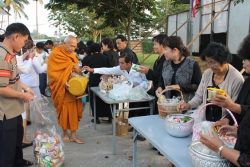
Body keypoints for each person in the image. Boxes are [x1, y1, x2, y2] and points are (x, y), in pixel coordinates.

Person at [178, 42, 244, 122]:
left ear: (224, 60)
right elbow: (199, 96)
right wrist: (188, 105)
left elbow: (235, 106)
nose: (210, 66)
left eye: (213, 63)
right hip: (207, 120)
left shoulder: (236, 79)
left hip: (225, 122)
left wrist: (226, 120)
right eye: (208, 63)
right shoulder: (207, 73)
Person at [0, 22, 35, 167]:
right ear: (16, 36)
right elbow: (1, 88)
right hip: (5, 112)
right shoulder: (2, 57)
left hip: (15, 110)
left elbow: (14, 77)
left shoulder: (11, 54)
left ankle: (18, 162)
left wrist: (26, 88)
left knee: (16, 141)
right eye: (24, 40)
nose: (24, 44)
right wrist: (23, 96)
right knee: (6, 148)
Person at [48, 35, 85, 144]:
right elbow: (52, 73)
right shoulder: (55, 55)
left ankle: (73, 135)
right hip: (62, 88)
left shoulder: (72, 55)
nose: (72, 49)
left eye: (74, 46)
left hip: (73, 88)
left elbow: (74, 68)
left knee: (73, 111)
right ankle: (65, 134)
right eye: (70, 46)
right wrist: (63, 80)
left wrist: (77, 69)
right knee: (63, 112)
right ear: (64, 44)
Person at [212, 34, 250, 126]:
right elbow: (239, 102)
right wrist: (227, 120)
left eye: (245, 59)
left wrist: (231, 105)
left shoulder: (237, 78)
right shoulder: (248, 82)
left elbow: (238, 107)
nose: (243, 62)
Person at [155, 36, 202, 103]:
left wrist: (179, 87)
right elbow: (161, 80)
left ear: (175, 50)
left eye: (165, 49)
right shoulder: (165, 64)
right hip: (168, 105)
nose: (164, 52)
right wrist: (159, 87)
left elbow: (198, 86)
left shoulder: (192, 64)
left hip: (186, 105)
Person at [82, 43, 112, 124]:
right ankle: (110, 116)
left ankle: (96, 117)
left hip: (94, 80)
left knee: (93, 98)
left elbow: (84, 71)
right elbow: (110, 68)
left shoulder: (89, 58)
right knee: (106, 98)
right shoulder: (105, 58)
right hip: (105, 80)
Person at [137, 34, 167, 114]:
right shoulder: (158, 59)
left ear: (163, 45)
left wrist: (148, 71)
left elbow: (162, 77)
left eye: (155, 44)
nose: (153, 47)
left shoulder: (166, 60)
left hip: (164, 92)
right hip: (157, 91)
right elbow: (155, 75)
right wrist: (145, 72)